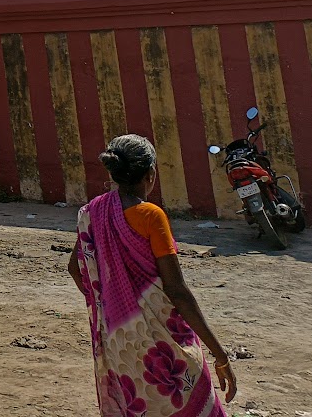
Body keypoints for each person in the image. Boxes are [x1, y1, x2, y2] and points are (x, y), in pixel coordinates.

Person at [70, 134, 237, 417]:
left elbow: (75, 268)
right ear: (151, 174)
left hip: (119, 343)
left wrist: (110, 302)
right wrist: (220, 356)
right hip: (165, 342)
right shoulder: (150, 216)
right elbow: (177, 289)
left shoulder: (92, 212)